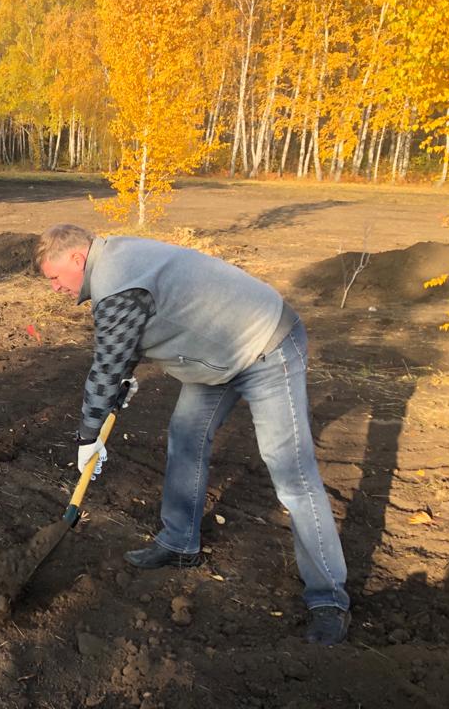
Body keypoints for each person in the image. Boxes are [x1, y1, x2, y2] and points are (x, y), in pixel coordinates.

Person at [36, 224, 351, 646]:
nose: (55, 287)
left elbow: (108, 363)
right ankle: (180, 542)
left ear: (77, 258)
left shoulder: (116, 281)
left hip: (264, 345)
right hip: (217, 353)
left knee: (291, 473)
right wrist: (120, 386)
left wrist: (87, 435)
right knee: (185, 436)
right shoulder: (114, 261)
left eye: (55, 277)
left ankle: (328, 598)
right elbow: (125, 349)